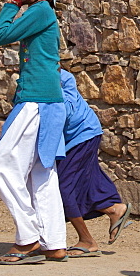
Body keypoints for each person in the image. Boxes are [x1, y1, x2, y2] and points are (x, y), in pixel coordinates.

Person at [0, 0, 69, 264]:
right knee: (41, 172)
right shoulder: (42, 11)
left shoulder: (39, 11)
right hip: (46, 100)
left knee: (3, 164)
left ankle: (28, 238)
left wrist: (12, 4)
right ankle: (54, 243)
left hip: (37, 100)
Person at [57, 67, 132, 256]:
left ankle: (87, 240)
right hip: (75, 138)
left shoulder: (64, 78)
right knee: (87, 182)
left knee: (63, 187)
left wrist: (49, 91)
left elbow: (67, 110)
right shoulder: (33, 75)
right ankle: (114, 209)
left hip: (82, 135)